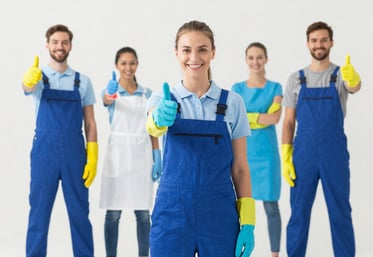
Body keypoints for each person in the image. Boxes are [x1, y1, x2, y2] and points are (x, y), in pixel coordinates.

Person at [145, 20, 256, 257]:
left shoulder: (232, 103)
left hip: (219, 216)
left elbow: (240, 169)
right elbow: (151, 127)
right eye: (186, 50)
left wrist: (248, 221)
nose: (194, 57)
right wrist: (159, 119)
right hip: (172, 214)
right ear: (176, 53)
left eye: (202, 49)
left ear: (213, 52)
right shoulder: (162, 100)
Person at [281, 21, 361, 257]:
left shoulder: (340, 75)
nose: (319, 44)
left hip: (334, 151)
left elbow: (355, 87)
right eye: (314, 40)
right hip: (303, 153)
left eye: (323, 40)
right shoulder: (296, 79)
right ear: (308, 44)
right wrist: (286, 154)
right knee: (298, 213)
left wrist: (353, 78)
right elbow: (288, 121)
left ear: (331, 43)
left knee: (340, 212)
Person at [22, 24, 98, 257]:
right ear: (47, 45)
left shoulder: (82, 81)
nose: (60, 46)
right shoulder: (38, 77)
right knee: (39, 212)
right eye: (55, 42)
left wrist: (93, 155)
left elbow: (91, 123)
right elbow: (26, 87)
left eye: (64, 42)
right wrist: (28, 79)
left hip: (75, 152)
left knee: (79, 213)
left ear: (70, 46)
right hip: (44, 151)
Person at [99, 46, 161, 257]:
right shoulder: (112, 92)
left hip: (141, 158)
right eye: (123, 63)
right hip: (117, 157)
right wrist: (109, 93)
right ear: (117, 65)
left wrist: (157, 155)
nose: (128, 67)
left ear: (137, 64)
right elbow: (106, 100)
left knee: (143, 214)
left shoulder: (148, 94)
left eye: (132, 63)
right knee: (113, 213)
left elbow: (153, 127)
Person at [231, 42, 282, 257]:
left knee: (271, 208)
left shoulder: (275, 88)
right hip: (243, 155)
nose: (255, 62)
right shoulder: (237, 89)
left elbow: (275, 118)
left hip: (267, 155)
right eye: (251, 57)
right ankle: (234, 250)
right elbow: (234, 119)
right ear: (246, 60)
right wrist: (260, 118)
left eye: (259, 57)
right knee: (238, 207)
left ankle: (275, 254)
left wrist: (248, 117)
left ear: (266, 59)